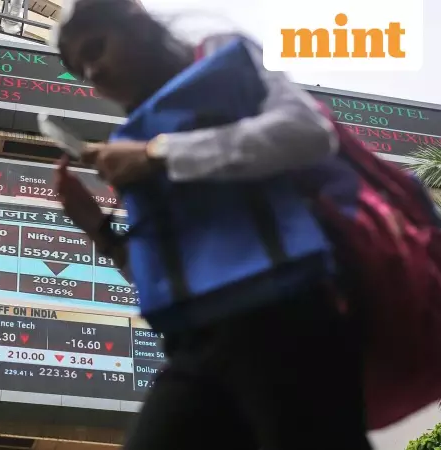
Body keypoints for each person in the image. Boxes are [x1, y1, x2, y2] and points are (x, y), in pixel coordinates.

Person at [52, 1, 372, 449]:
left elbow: (309, 133)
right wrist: (97, 229)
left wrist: (159, 155)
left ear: (136, 22)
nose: (94, 72)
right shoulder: (133, 138)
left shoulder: (221, 56)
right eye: (82, 69)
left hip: (286, 319)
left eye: (96, 48)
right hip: (194, 344)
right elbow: (171, 275)